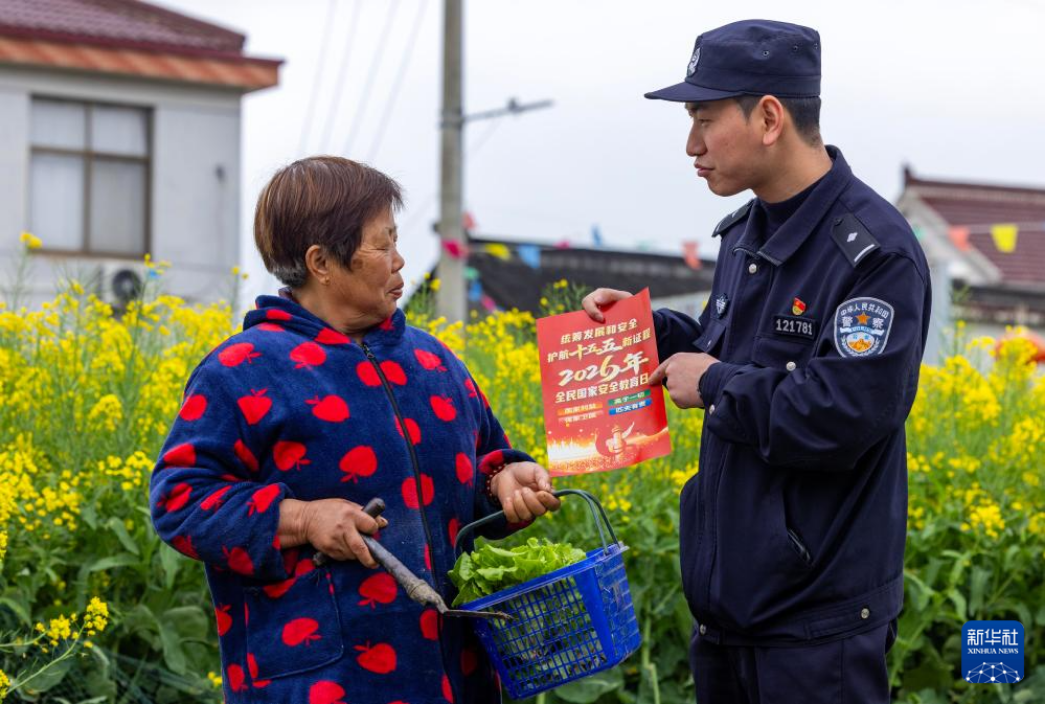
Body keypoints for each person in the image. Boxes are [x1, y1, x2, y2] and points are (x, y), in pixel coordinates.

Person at [582, 20, 931, 703]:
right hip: (732, 614)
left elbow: (841, 413)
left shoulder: (872, 253)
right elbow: (734, 348)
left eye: (704, 120)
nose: (691, 145)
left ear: (768, 117)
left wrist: (712, 385)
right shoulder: (748, 231)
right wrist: (647, 332)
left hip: (815, 629)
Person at [150, 156, 561, 704]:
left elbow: (488, 461)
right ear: (321, 262)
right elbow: (180, 500)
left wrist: (507, 481)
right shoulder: (243, 370)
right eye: (381, 244)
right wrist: (302, 518)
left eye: (397, 240)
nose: (400, 260)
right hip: (320, 681)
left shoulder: (435, 363)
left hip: (456, 677)